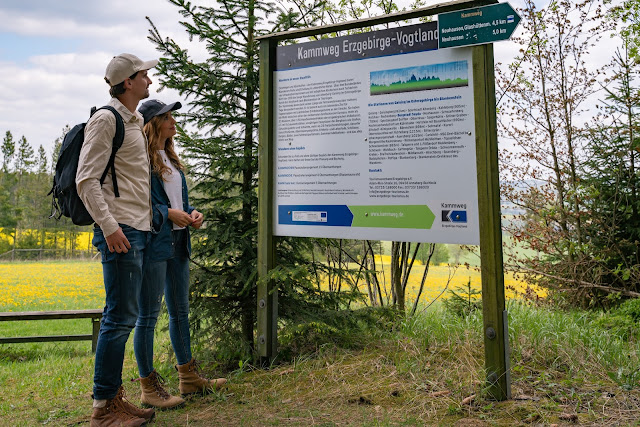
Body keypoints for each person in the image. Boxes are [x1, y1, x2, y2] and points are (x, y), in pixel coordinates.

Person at [77, 53, 158, 427]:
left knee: (125, 317)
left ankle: (113, 400)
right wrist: (110, 227)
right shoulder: (106, 120)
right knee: (119, 318)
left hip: (137, 229)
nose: (150, 81)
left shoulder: (135, 120)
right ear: (128, 82)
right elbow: (86, 180)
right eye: (144, 75)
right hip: (120, 231)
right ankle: (103, 409)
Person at [133, 99, 226, 409]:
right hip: (154, 244)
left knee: (180, 311)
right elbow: (137, 205)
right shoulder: (139, 160)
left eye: (172, 116)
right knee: (147, 316)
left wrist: (191, 213)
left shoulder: (171, 159)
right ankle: (148, 387)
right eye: (166, 116)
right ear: (153, 123)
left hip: (178, 242)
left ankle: (188, 378)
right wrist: (168, 214)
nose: (173, 121)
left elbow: (179, 203)